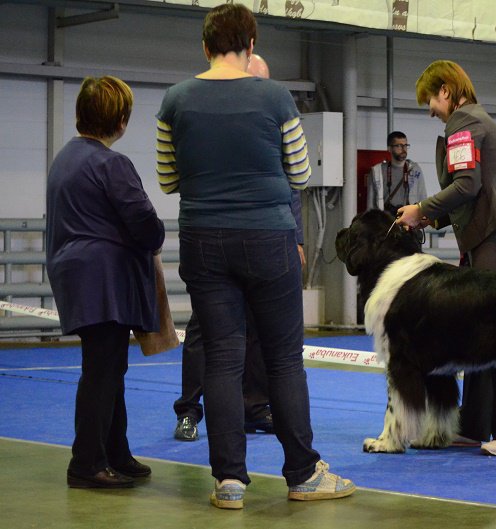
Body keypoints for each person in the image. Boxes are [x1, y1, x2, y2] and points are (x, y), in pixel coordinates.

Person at [156, 3, 354, 508]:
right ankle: (303, 475)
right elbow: (301, 175)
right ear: (251, 45)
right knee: (285, 360)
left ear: (204, 46)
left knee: (222, 359)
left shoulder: (174, 101)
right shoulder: (275, 97)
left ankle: (229, 481)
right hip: (268, 238)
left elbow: (168, 180)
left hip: (202, 239)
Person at [396, 59, 496, 457]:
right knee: (478, 332)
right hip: (490, 235)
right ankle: (473, 426)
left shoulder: (464, 122)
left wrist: (421, 209)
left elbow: (466, 185)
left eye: (430, 100)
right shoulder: (467, 123)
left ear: (445, 90)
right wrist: (429, 216)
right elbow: (466, 190)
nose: (428, 109)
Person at [172, 54, 305, 442]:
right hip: (225, 239)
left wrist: (295, 236)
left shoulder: (270, 112)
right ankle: (189, 410)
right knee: (207, 336)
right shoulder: (214, 113)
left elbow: (292, 182)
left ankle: (255, 409)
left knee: (259, 338)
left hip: (261, 238)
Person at [46, 76, 165, 488]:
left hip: (75, 276)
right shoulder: (111, 164)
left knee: (109, 367)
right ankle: (87, 462)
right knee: (102, 371)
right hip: (104, 282)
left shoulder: (65, 157)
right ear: (121, 120)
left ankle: (116, 451)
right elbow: (146, 225)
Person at [366, 131, 427, 216]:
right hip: (386, 222)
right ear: (389, 148)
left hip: (409, 221)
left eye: (405, 145)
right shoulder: (377, 172)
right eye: (399, 146)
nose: (403, 149)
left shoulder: (415, 170)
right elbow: (370, 206)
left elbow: (423, 199)